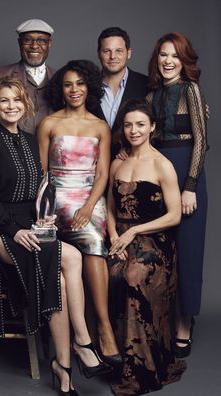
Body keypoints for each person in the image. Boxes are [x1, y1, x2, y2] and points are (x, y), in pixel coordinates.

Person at [0, 77, 111, 395]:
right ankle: (83, 341)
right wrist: (15, 230)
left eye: (17, 100)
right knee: (74, 257)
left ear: (26, 105)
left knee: (61, 282)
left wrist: (43, 216)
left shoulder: (26, 138)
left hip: (33, 229)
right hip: (1, 235)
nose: (11, 106)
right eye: (4, 101)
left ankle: (62, 369)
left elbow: (38, 189)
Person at [38, 60, 121, 367]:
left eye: (80, 84)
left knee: (93, 243)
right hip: (55, 197)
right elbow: (42, 173)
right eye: (68, 84)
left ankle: (103, 326)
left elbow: (102, 175)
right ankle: (72, 337)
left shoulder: (100, 127)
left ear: (90, 88)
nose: (74, 90)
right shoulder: (49, 123)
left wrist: (88, 207)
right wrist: (46, 211)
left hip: (89, 196)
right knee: (61, 251)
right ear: (61, 89)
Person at [107, 98, 186, 395]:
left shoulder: (162, 165)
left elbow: (175, 214)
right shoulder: (118, 161)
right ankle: (111, 357)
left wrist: (135, 231)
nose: (133, 130)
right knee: (108, 272)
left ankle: (140, 371)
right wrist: (115, 236)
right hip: (121, 238)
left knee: (133, 276)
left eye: (140, 124)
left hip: (155, 241)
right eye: (128, 125)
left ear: (152, 127)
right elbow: (110, 207)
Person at [146, 32, 208, 358]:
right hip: (159, 173)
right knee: (164, 250)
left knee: (188, 251)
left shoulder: (190, 90)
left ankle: (185, 323)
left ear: (184, 61)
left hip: (187, 172)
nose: (168, 61)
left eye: (175, 56)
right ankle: (163, 322)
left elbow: (200, 140)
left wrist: (190, 186)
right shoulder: (152, 94)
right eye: (163, 55)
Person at [0, 18, 55, 132]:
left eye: (41, 40)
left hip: (49, 147)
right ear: (19, 43)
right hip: (12, 147)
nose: (34, 46)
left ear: (49, 43)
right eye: (28, 40)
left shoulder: (61, 78)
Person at [95, 27, 148, 155]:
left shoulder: (146, 85)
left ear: (128, 53)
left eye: (119, 51)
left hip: (132, 166)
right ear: (99, 54)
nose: (113, 57)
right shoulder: (87, 87)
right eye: (107, 51)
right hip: (93, 166)